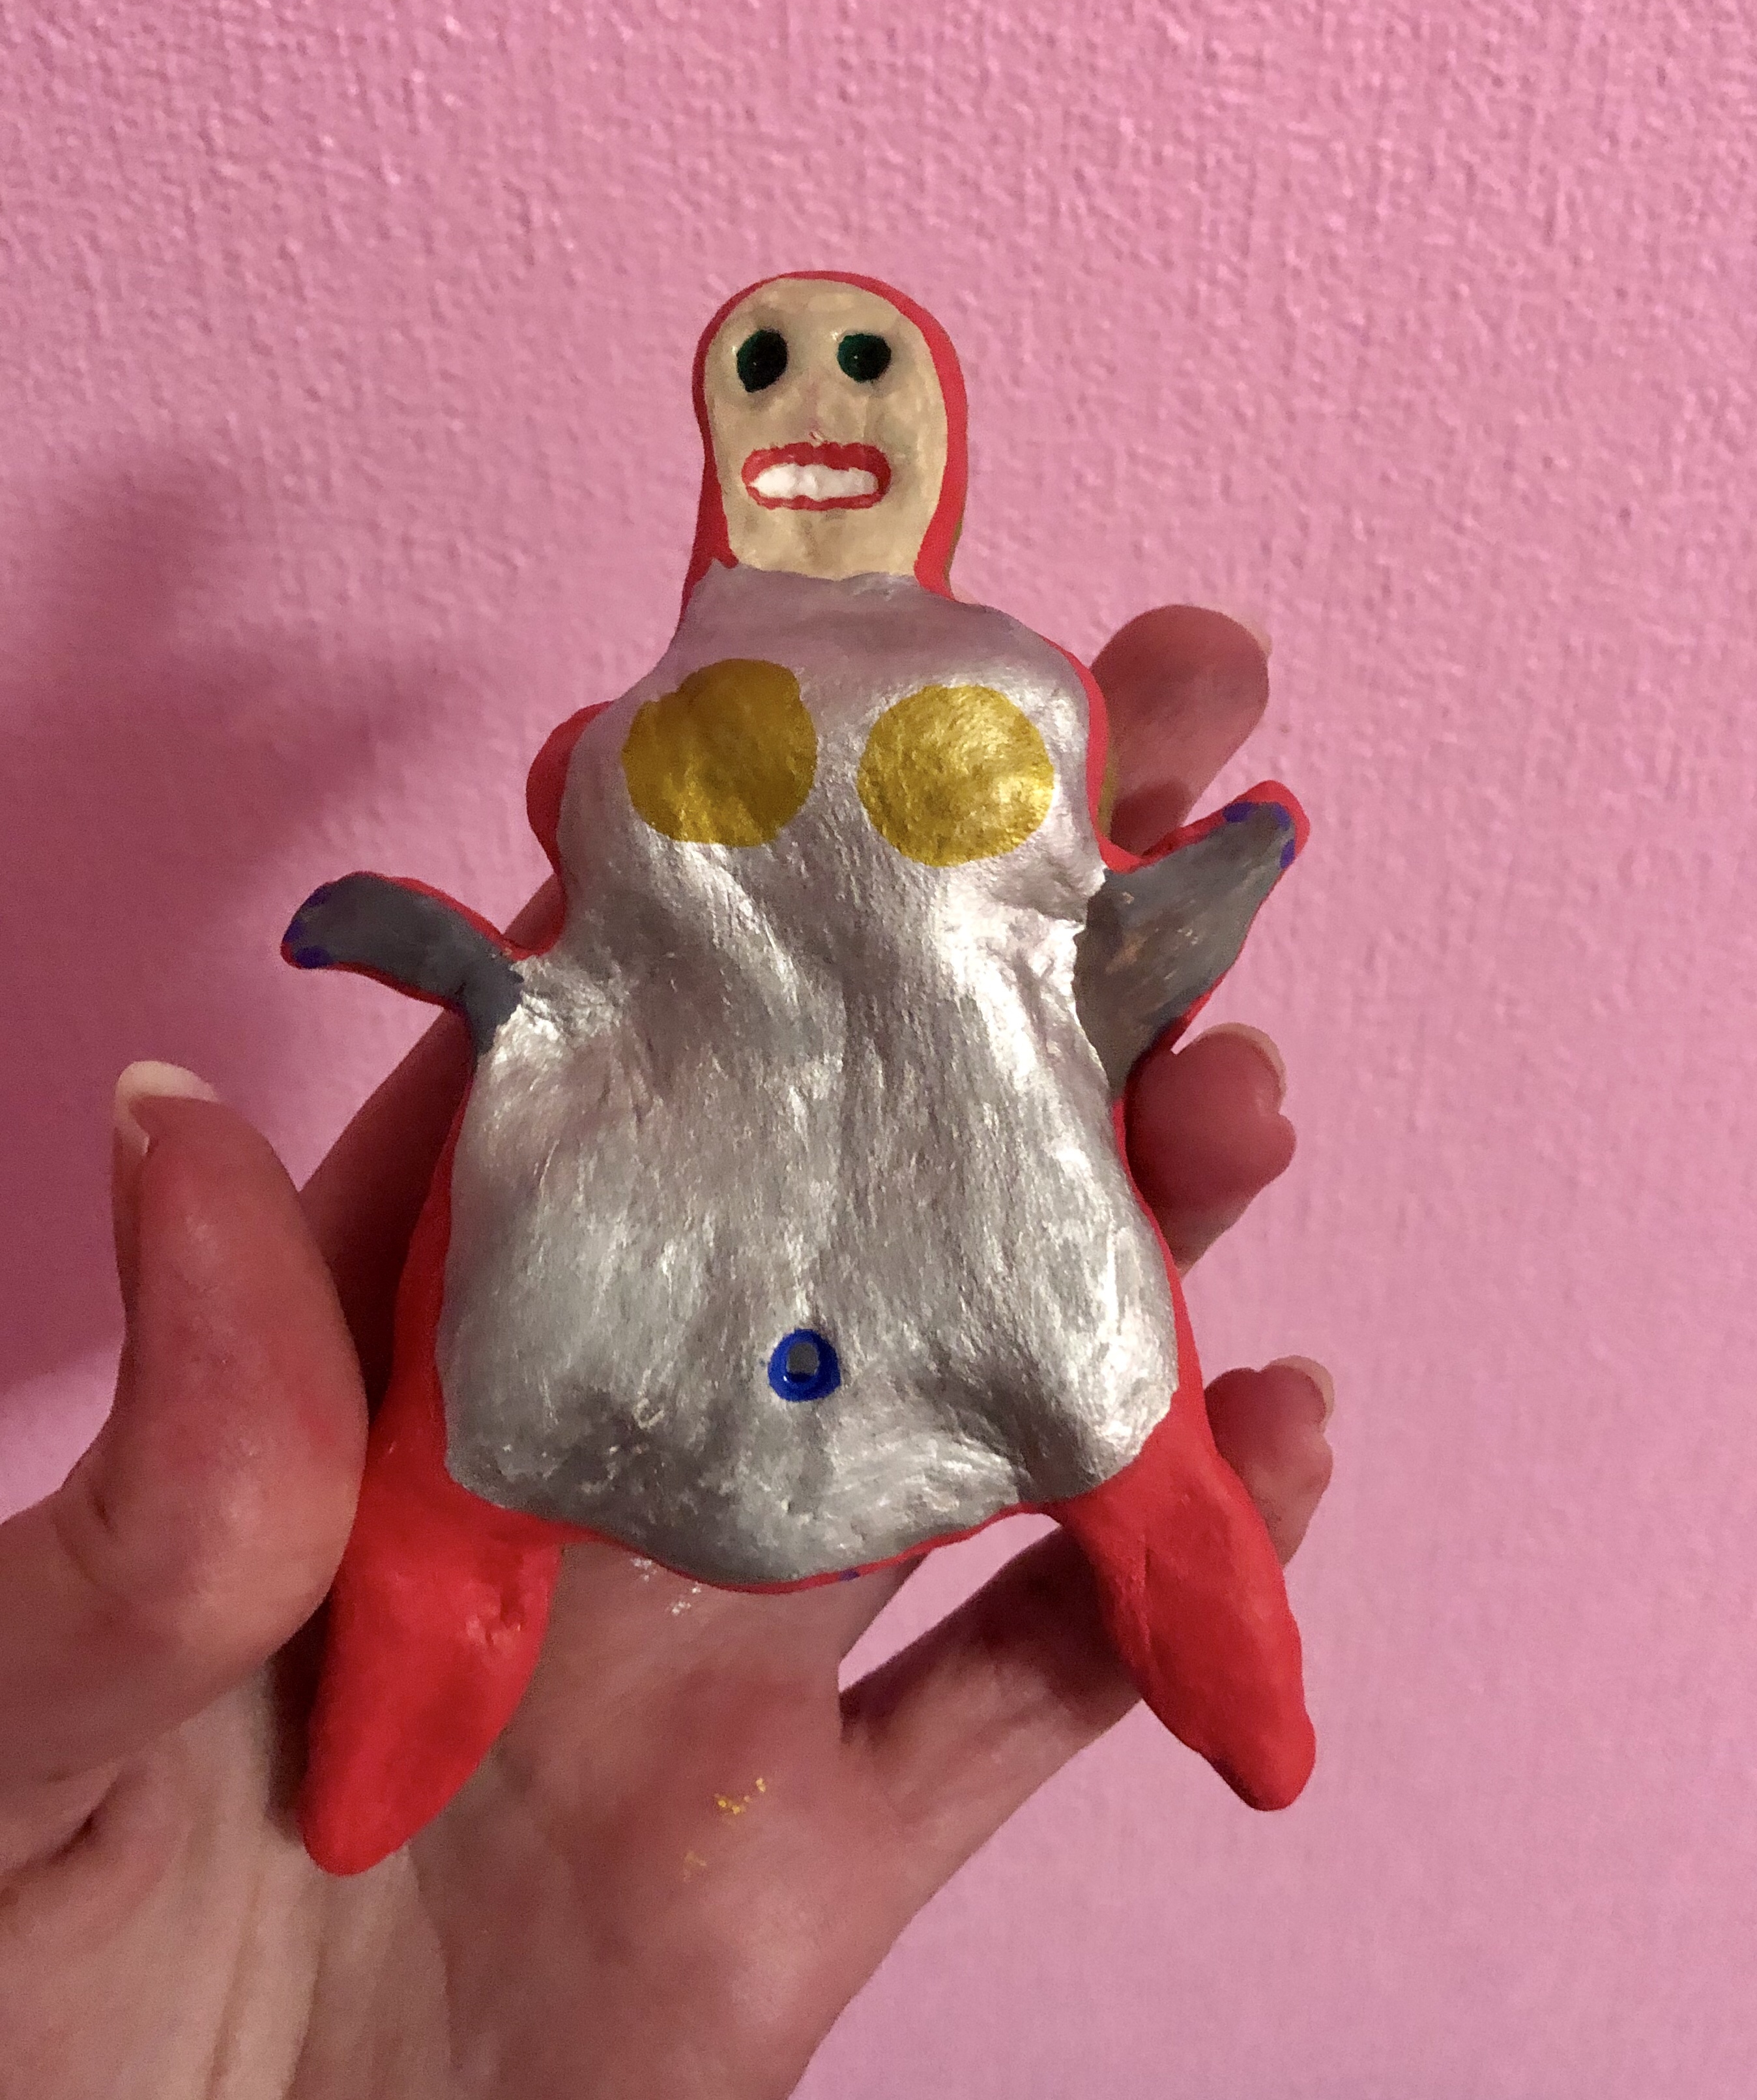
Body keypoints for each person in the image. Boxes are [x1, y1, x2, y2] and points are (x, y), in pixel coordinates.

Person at [0, 605, 1334, 2099]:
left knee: (1155, 1512)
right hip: (612, 1328)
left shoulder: (1004, 944)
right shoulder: (616, 943)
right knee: (440, 1562)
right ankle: (386, 1740)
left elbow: (1132, 963)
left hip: (990, 1306)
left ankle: (393, 1727)